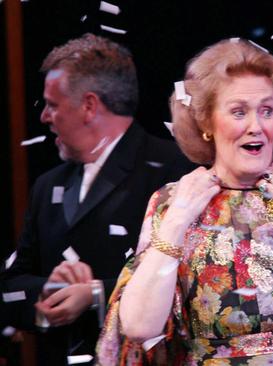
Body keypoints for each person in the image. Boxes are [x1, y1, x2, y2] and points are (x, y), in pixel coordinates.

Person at [95, 39, 273, 365]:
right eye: (238, 112)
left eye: (266, 111)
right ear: (206, 123)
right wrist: (178, 219)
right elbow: (139, 327)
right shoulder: (172, 201)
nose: (256, 127)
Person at [0, 33, 194, 365]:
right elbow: (11, 285)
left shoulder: (177, 170)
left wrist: (97, 295)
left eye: (52, 104)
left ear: (89, 106)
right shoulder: (48, 185)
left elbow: (195, 281)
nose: (44, 116)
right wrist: (50, 292)